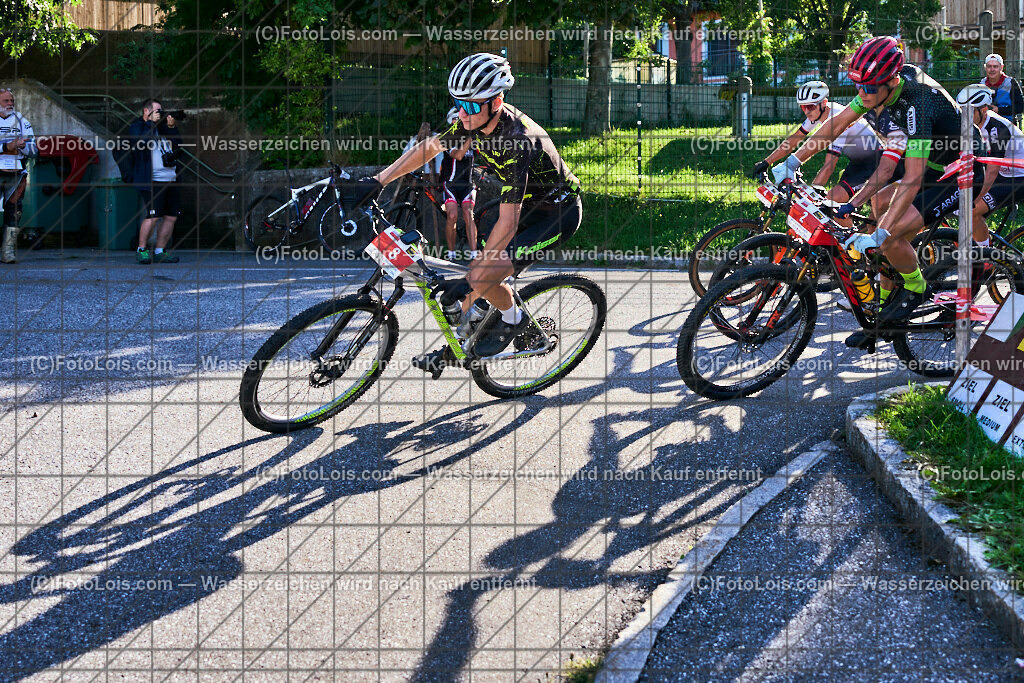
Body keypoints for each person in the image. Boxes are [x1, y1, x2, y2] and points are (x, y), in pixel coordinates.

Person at [348, 52, 583, 368]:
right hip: (523, 203)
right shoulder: (470, 122)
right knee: (481, 274)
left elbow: (509, 222)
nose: (462, 112)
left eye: (471, 106)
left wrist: (475, 278)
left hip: (557, 214)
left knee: (483, 275)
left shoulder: (517, 139)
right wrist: (378, 181)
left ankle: (512, 320)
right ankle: (477, 323)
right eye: (458, 103)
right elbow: (429, 148)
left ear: (496, 103)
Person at [771, 36, 985, 348]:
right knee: (879, 205)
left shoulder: (918, 102)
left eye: (869, 88)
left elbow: (912, 176)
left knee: (890, 235)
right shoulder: (877, 89)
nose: (862, 94)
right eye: (858, 86)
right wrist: (792, 161)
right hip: (933, 165)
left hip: (961, 171)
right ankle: (884, 310)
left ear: (891, 81)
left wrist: (882, 234)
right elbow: (836, 125)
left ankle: (916, 287)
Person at [752, 81, 884, 215]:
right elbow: (795, 139)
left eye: (810, 106)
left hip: (876, 162)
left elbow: (829, 166)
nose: (807, 111)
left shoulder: (837, 118)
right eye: (803, 107)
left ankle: (853, 235)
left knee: (832, 202)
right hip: (858, 164)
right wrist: (766, 162)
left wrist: (811, 196)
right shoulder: (817, 113)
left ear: (824, 102)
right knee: (832, 207)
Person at [958, 84, 1024, 246]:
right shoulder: (972, 124)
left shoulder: (998, 128)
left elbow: (992, 171)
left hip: (1018, 176)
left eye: (969, 111)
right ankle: (983, 245)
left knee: (971, 210)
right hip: (1003, 172)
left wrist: (975, 198)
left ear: (984, 110)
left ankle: (987, 259)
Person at [127, 99, 182, 264]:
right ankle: (142, 250)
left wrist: (171, 128)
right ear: (146, 111)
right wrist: (151, 123)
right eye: (157, 110)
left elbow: (178, 146)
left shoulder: (162, 126)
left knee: (171, 216)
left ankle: (160, 251)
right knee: (153, 216)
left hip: (170, 178)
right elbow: (142, 143)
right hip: (152, 180)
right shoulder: (136, 127)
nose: (160, 113)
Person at [0, 87, 37, 264]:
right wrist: (6, 148)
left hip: (16, 174)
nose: (10, 104)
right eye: (6, 101)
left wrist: (22, 146)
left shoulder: (22, 120)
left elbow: (34, 149)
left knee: (15, 212)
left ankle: (7, 252)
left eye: (12, 101)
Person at [439, 108, 479, 261]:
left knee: (468, 214)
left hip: (468, 184)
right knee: (452, 215)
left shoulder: (474, 139)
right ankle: (451, 253)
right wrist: (469, 138)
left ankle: (474, 254)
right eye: (456, 119)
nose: (460, 122)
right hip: (451, 185)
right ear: (451, 122)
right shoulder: (448, 138)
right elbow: (458, 155)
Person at [980, 53, 1024, 126]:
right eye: (989, 66)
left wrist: (999, 110)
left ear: (1001, 67)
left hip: (1008, 125)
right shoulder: (981, 84)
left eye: (995, 66)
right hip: (985, 125)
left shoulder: (1011, 83)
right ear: (985, 68)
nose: (992, 69)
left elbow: (1020, 107)